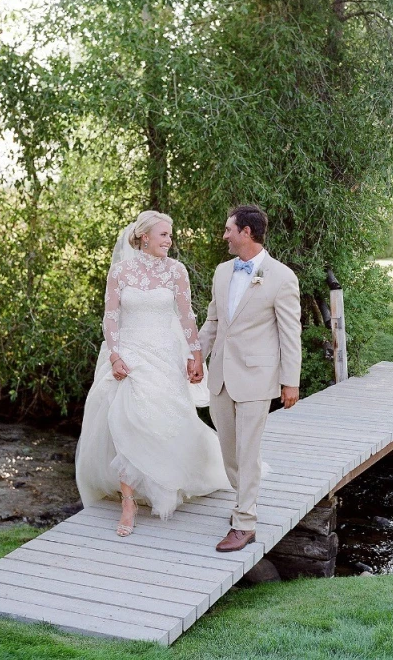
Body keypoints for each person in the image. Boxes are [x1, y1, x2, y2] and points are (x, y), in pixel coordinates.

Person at [75, 210, 229, 537]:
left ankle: (165, 480)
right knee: (126, 420)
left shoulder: (176, 271)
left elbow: (187, 317)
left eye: (170, 236)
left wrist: (196, 355)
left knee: (164, 422)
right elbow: (111, 317)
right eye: (163, 235)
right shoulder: (120, 272)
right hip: (129, 355)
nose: (169, 241)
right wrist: (115, 356)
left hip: (166, 357)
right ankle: (128, 502)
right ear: (145, 236)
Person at [198, 204, 302, 552]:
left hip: (258, 377)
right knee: (229, 450)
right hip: (221, 375)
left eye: (229, 229)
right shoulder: (222, 272)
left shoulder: (282, 277)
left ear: (246, 233)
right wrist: (195, 356)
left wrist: (291, 381)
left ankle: (245, 522)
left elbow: (290, 334)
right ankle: (243, 502)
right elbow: (213, 322)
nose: (224, 235)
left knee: (248, 450)